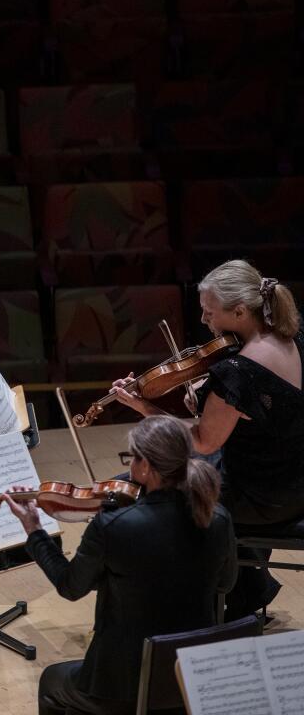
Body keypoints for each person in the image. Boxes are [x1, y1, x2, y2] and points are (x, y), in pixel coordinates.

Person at [3, 416, 236, 715]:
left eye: (132, 458)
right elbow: (225, 584)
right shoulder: (217, 517)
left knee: (51, 682)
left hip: (124, 686)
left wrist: (35, 530)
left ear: (146, 467)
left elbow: (70, 586)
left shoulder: (113, 526)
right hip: (193, 677)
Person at [110, 259, 304, 617]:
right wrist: (211, 395)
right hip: (292, 480)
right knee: (202, 470)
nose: (204, 322)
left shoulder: (239, 370)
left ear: (241, 311)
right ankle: (248, 593)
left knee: (148, 482)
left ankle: (179, 607)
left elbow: (202, 440)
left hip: (263, 497)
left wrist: (142, 406)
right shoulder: (290, 337)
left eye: (209, 313)